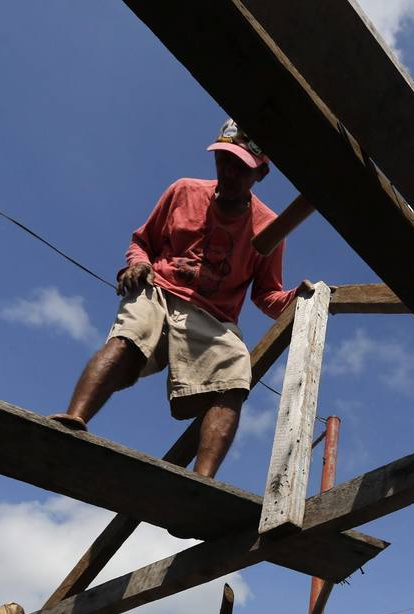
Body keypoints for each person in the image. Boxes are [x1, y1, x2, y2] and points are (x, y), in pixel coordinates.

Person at [51, 119, 310, 477]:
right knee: (131, 338)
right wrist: (137, 265)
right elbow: (143, 242)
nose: (230, 172)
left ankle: (202, 480)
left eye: (241, 168)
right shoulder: (184, 191)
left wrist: (300, 298)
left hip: (213, 317)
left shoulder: (269, 227)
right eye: (224, 161)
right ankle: (74, 418)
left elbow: (266, 294)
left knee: (235, 373)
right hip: (159, 290)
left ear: (260, 175)